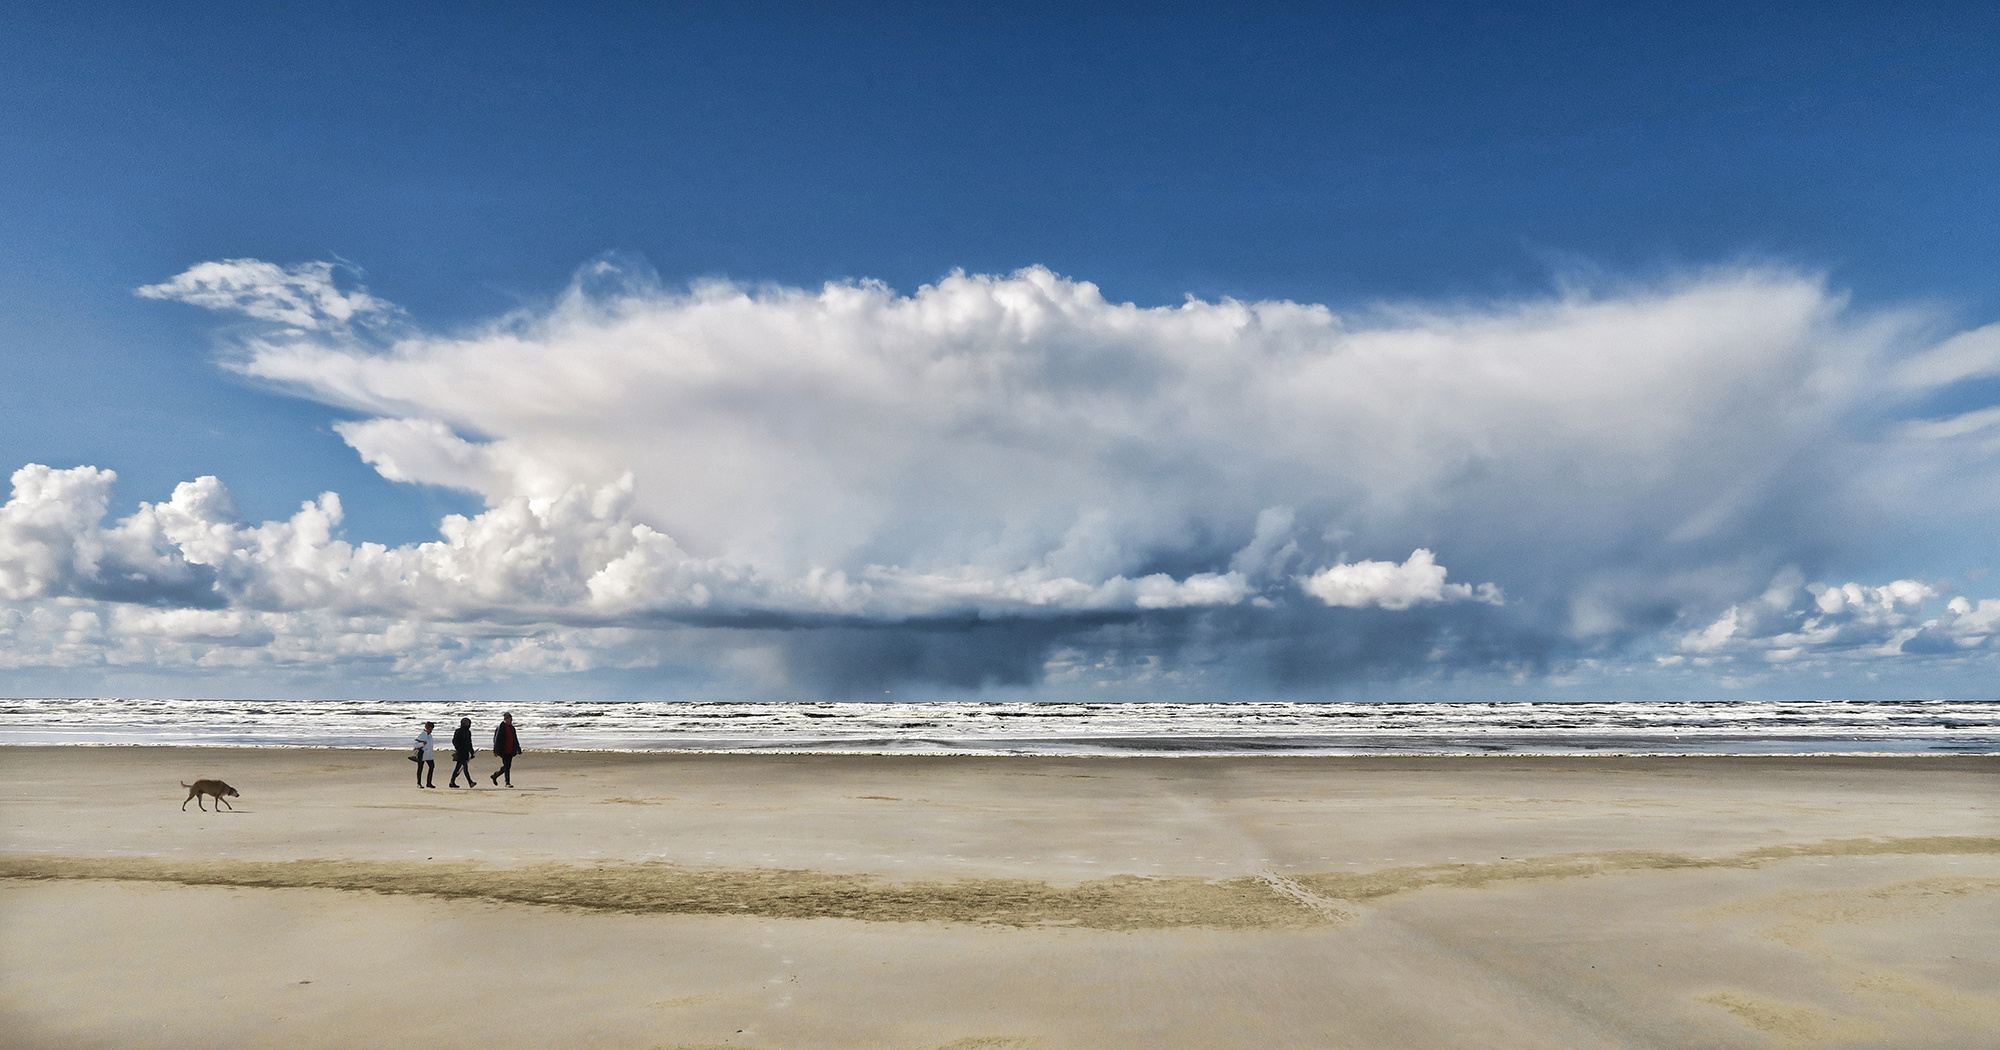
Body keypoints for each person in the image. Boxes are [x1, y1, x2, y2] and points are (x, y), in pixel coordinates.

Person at [489, 711, 522, 787]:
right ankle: (507, 783)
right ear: (505, 719)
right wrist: (495, 750)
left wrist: (518, 748)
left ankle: (495, 776)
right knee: (507, 766)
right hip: (503, 750)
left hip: (511, 750)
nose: (510, 720)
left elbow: (515, 739)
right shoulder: (501, 727)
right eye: (508, 719)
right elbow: (496, 739)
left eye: (510, 719)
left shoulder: (512, 728)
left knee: (507, 766)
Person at [448, 717, 478, 787]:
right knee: (465, 767)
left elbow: (469, 743)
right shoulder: (459, 731)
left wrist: (472, 752)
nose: (468, 724)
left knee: (458, 768)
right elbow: (454, 741)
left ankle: (452, 782)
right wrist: (458, 749)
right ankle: (470, 782)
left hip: (466, 752)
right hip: (460, 752)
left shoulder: (468, 732)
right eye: (466, 723)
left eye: (468, 723)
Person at [413, 721, 437, 789]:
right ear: (426, 728)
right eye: (430, 729)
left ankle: (429, 783)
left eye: (432, 729)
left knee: (432, 766)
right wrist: (422, 744)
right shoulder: (422, 735)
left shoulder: (430, 735)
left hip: (429, 755)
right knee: (420, 768)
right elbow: (415, 744)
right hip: (422, 754)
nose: (431, 730)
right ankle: (419, 783)